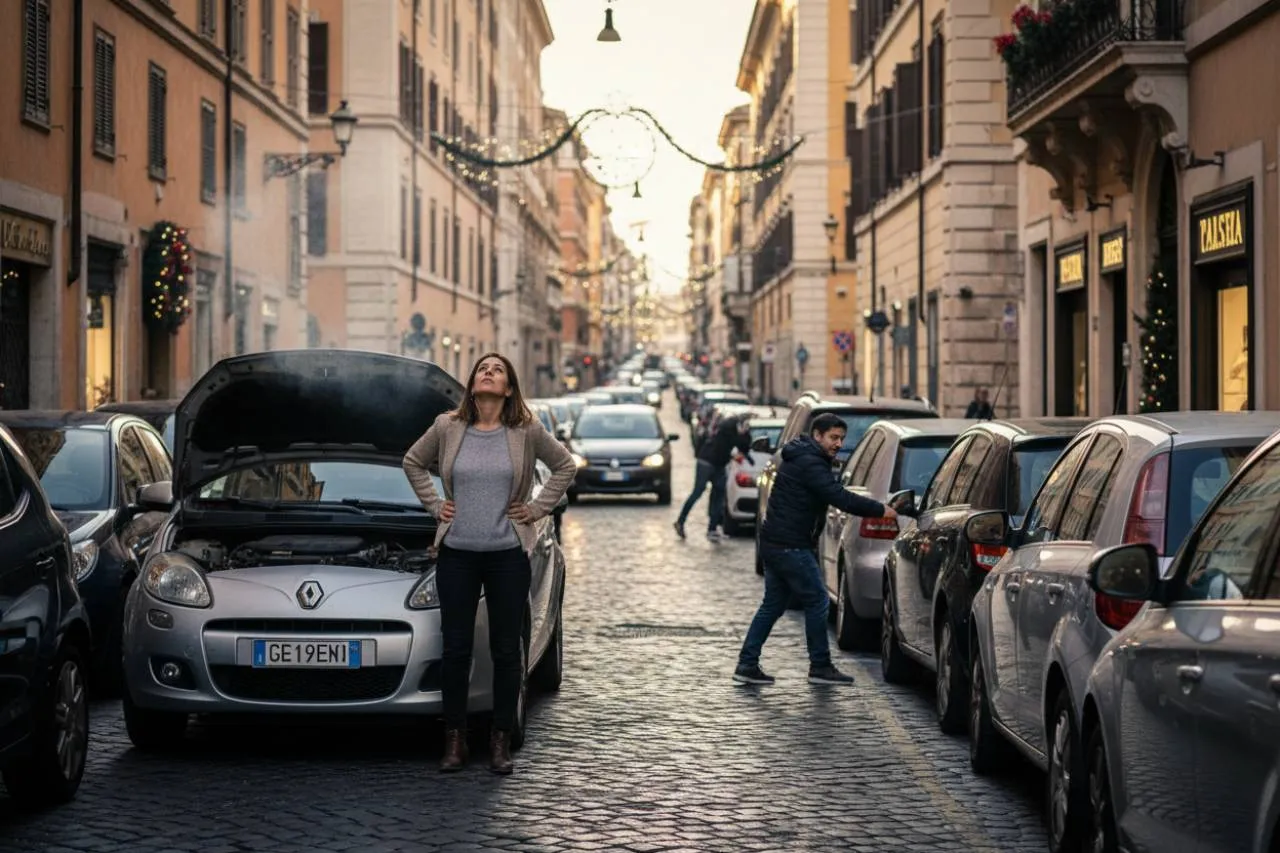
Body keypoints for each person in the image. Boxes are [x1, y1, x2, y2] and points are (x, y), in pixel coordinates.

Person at [403, 352, 576, 775]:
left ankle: (500, 740)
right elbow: (413, 462)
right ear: (473, 383)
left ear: (509, 388)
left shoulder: (526, 430)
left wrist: (535, 509)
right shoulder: (448, 426)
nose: (488, 373)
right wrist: (435, 505)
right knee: (455, 649)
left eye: (497, 370)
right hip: (457, 555)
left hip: (506, 556)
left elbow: (565, 466)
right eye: (482, 368)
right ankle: (456, 740)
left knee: (505, 650)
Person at [734, 413, 901, 686]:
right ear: (817, 435)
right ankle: (820, 665)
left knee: (773, 605)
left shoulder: (804, 457)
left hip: (777, 542)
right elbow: (838, 497)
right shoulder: (810, 462)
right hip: (790, 545)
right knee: (818, 601)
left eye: (841, 438)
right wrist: (880, 509)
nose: (838, 443)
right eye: (833, 437)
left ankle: (747, 663)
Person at [674, 412, 754, 542]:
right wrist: (742, 433)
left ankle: (712, 528)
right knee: (698, 492)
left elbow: (743, 447)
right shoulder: (729, 426)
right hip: (707, 462)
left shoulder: (734, 431)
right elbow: (736, 441)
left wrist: (745, 434)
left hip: (718, 464)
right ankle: (681, 521)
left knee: (718, 494)